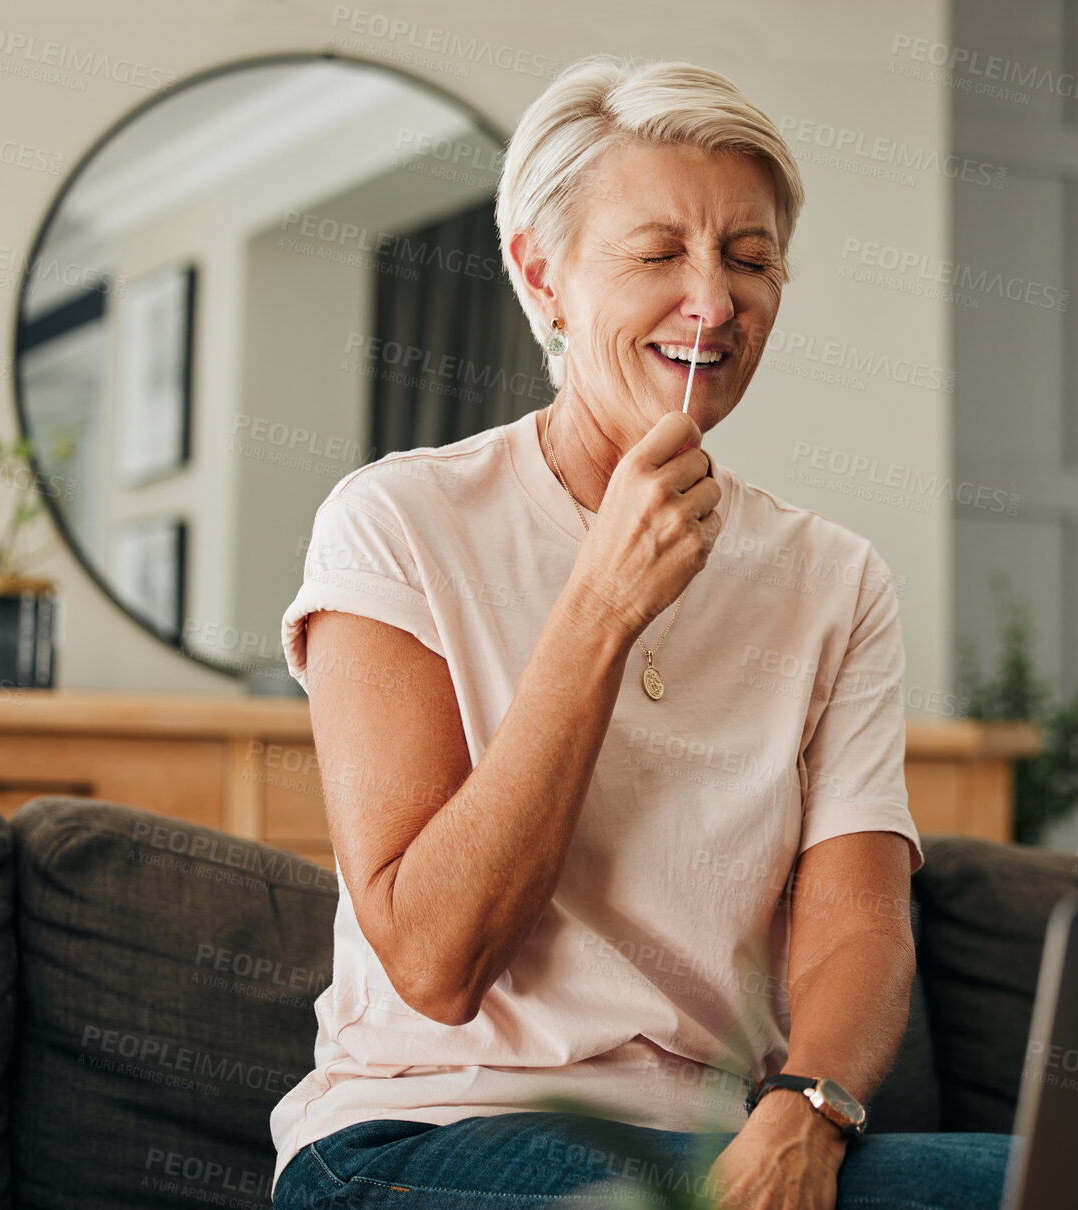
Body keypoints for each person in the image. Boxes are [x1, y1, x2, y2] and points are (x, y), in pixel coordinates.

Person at [270, 54, 1012, 1210]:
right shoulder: (398, 522)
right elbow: (436, 959)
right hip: (424, 1136)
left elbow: (855, 932)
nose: (713, 302)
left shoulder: (835, 580)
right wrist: (602, 607)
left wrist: (807, 1111)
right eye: (659, 253)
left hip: (724, 1152)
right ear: (544, 274)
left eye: (749, 259)